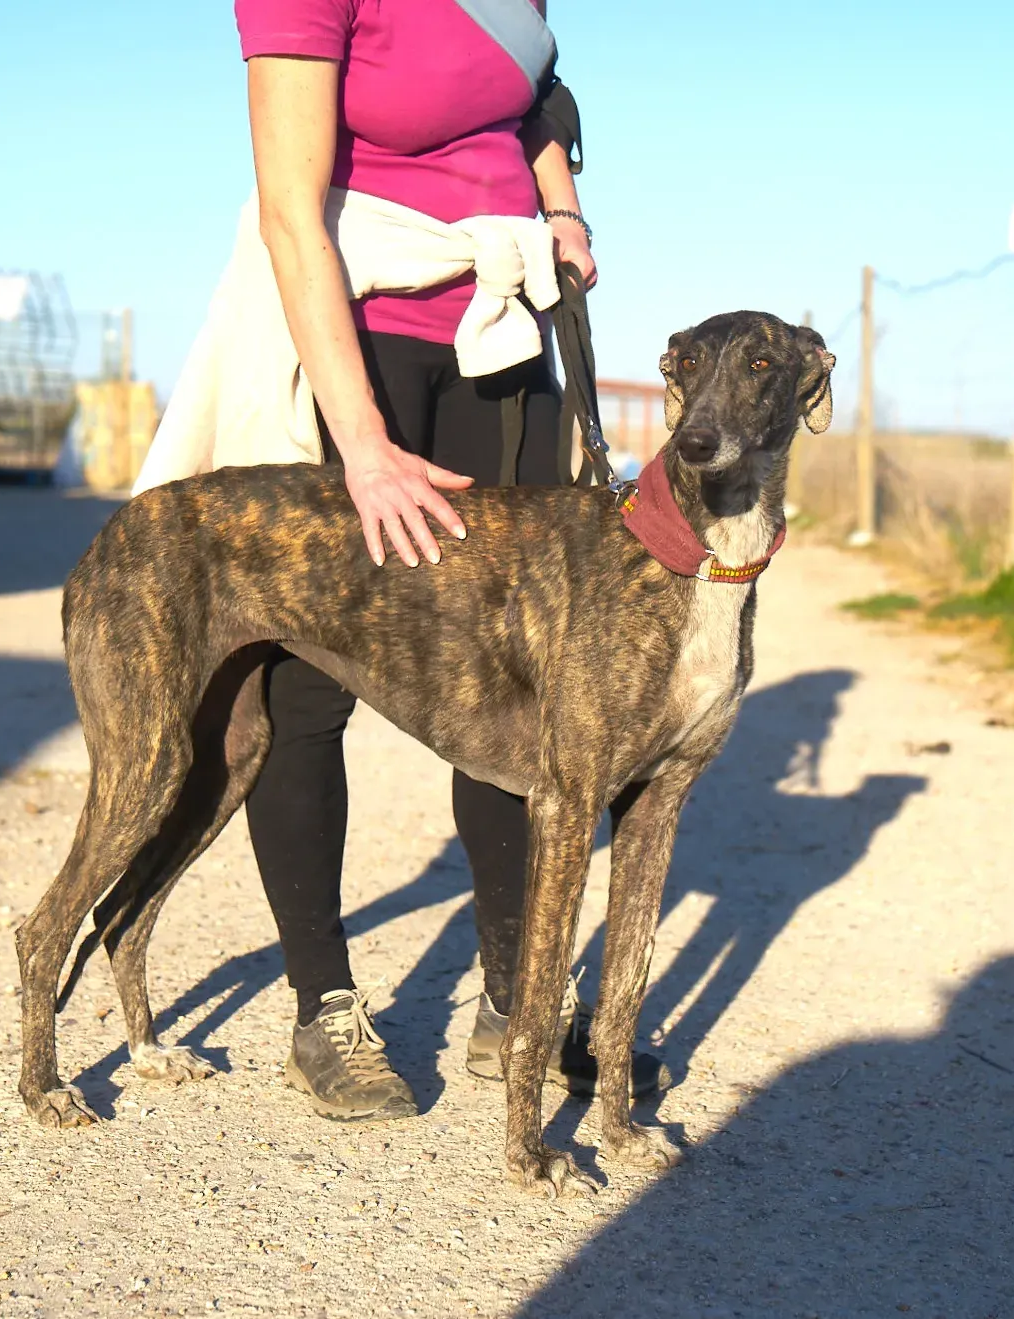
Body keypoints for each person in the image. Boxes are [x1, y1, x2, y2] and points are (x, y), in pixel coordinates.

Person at [229, 0, 665, 1121]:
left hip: (503, 337)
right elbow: (289, 211)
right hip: (355, 342)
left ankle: (517, 998)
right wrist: (364, 446)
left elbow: (537, 104)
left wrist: (560, 213)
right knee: (307, 677)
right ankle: (323, 1004)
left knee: (516, 677)